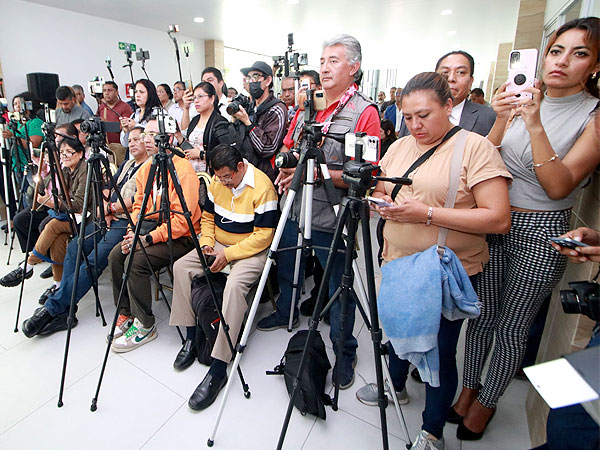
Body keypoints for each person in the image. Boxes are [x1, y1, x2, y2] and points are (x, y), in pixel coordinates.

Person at [456, 17, 600, 441]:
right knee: (481, 315)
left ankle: (487, 402)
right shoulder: (522, 99)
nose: (561, 62)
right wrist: (503, 117)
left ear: (594, 66)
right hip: (495, 216)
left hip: (542, 228)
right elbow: (487, 156)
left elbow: (558, 185)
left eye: (580, 54)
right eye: (556, 51)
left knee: (513, 324)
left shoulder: (593, 115)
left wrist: (534, 122)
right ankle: (467, 388)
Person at [358, 71, 511, 450]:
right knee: (396, 330)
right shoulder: (401, 146)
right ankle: (393, 386)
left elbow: (498, 218)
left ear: (449, 106)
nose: (415, 125)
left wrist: (426, 214)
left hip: (443, 269)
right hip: (397, 261)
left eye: (424, 115)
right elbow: (384, 185)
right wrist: (383, 203)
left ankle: (431, 431)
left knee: (439, 352)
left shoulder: (475, 148)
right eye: (408, 117)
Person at [257, 34, 380, 390]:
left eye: (334, 61)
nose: (324, 68)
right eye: (323, 61)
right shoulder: (307, 107)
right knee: (287, 260)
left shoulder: (364, 113)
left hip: (334, 214)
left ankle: (345, 351)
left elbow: (366, 176)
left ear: (354, 68)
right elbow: (292, 149)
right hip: (296, 206)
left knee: (339, 285)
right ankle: (286, 312)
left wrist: (321, 173)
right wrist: (290, 169)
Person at [169, 144, 278, 409]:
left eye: (228, 177)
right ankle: (192, 337)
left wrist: (228, 256)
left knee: (234, 286)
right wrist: (207, 242)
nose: (224, 183)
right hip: (219, 244)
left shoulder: (263, 188)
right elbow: (208, 218)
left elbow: (264, 236)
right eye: (219, 177)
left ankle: (219, 365)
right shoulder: (218, 182)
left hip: (250, 250)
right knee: (182, 267)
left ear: (240, 166)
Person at [20, 127, 150, 337]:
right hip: (107, 216)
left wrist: (111, 208)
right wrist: (106, 206)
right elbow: (109, 186)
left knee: (94, 258)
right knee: (75, 246)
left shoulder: (151, 166)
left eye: (138, 139)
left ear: (148, 142)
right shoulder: (127, 164)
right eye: (131, 140)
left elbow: (141, 201)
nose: (133, 143)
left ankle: (55, 307)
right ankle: (65, 307)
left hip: (126, 222)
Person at [108, 119, 201, 352]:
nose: (146, 139)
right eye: (145, 134)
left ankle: (145, 325)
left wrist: (146, 240)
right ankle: (126, 313)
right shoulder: (147, 169)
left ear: (167, 138)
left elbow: (182, 220)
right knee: (116, 256)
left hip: (183, 236)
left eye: (152, 134)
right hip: (151, 230)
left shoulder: (183, 168)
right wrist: (133, 233)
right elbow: (138, 207)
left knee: (136, 261)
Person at [1, 137, 87, 299]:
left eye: (70, 152)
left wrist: (52, 201)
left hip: (87, 218)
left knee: (53, 226)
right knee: (58, 239)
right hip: (70, 216)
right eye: (62, 153)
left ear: (81, 154)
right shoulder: (67, 170)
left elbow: (77, 205)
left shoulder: (84, 169)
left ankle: (28, 264)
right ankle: (58, 284)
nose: (65, 156)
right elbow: (55, 194)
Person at [399, 51, 496, 138]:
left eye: (460, 72)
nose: (451, 78)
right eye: (445, 72)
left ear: (471, 81)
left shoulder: (489, 117)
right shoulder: (412, 114)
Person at [230, 61, 288, 183]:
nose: (252, 81)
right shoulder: (249, 107)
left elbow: (267, 148)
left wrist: (248, 123)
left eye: (256, 77)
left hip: (265, 178)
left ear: (267, 81)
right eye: (249, 78)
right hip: (245, 174)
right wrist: (235, 121)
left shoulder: (277, 109)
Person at [179, 81, 229, 172]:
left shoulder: (220, 122)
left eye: (200, 96)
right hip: (191, 172)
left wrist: (201, 154)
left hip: (210, 174)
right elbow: (185, 132)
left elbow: (226, 153)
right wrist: (186, 108)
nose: (196, 100)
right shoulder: (195, 119)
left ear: (212, 98)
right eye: (194, 98)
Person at [119, 79, 163, 150]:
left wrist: (136, 126)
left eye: (142, 92)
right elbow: (125, 144)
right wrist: (125, 130)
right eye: (136, 92)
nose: (138, 95)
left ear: (150, 94)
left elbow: (158, 135)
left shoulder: (158, 113)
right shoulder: (134, 115)